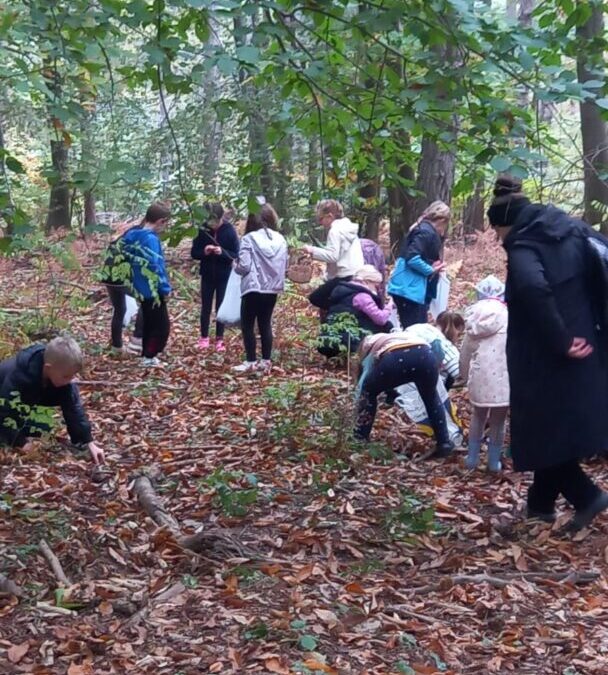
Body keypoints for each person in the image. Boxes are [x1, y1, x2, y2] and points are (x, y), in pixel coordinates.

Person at [488, 174, 608, 530]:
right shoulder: (572, 229)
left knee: (543, 430)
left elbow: (532, 286)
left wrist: (560, 339)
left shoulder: (524, 245)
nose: (498, 241)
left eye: (497, 233)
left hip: (550, 356)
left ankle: (587, 497)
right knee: (555, 430)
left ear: (506, 225)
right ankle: (540, 507)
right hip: (589, 346)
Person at [0, 336, 105, 465]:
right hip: (4, 405)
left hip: (24, 406)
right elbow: (4, 412)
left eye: (73, 376)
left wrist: (88, 442)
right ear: (48, 367)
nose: (71, 380)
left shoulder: (60, 376)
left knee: (44, 427)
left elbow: (73, 408)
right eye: (67, 376)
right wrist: (21, 443)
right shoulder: (20, 375)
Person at [354, 331, 453, 458]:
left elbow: (365, 379)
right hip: (425, 355)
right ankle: (444, 442)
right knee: (431, 397)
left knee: (368, 393)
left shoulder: (368, 345)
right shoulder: (402, 335)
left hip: (394, 358)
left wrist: (358, 398)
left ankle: (360, 437)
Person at [459, 275, 509, 472]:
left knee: (478, 416)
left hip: (480, 375)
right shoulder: (508, 316)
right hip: (504, 376)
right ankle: (493, 462)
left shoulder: (473, 319)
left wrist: (464, 376)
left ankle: (472, 459)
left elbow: (465, 353)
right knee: (499, 419)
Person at [233, 203, 288, 373]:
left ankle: (250, 361)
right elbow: (284, 265)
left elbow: (244, 266)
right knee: (265, 323)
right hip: (272, 289)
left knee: (248, 324)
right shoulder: (280, 239)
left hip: (253, 287)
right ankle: (266, 361)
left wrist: (235, 265)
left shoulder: (248, 239)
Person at [121, 202, 172, 367]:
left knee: (150, 323)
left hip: (141, 288)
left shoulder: (133, 236)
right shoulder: (150, 239)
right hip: (153, 290)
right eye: (166, 224)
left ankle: (147, 355)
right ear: (160, 221)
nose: (165, 228)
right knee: (161, 326)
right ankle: (150, 355)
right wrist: (164, 288)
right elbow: (155, 266)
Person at [387, 201, 450, 329]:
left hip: (410, 289)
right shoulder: (426, 232)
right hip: (409, 290)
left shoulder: (422, 228)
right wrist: (430, 269)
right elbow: (412, 257)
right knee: (416, 331)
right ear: (442, 220)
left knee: (415, 329)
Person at [191, 202, 240, 353]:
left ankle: (220, 339)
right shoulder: (202, 230)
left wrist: (222, 252)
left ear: (221, 218)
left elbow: (235, 254)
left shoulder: (229, 230)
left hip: (223, 274)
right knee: (205, 306)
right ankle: (204, 337)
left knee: (220, 306)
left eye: (215, 221)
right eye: (209, 221)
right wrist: (204, 251)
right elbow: (194, 253)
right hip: (207, 274)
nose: (212, 225)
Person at [316, 265, 393, 358]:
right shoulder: (362, 296)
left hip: (329, 338)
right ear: (367, 281)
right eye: (376, 285)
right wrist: (389, 306)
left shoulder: (344, 290)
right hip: (349, 340)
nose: (378, 289)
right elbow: (380, 319)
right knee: (387, 325)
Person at [304, 200, 365, 312]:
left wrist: (311, 250)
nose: (320, 223)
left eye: (321, 219)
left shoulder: (335, 231)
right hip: (357, 273)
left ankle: (340, 310)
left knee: (315, 298)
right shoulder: (347, 228)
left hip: (345, 276)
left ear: (330, 216)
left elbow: (332, 256)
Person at [101, 221, 145, 356]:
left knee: (120, 309)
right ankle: (137, 340)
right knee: (147, 303)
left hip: (109, 277)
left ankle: (117, 346)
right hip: (120, 278)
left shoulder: (124, 237)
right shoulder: (141, 237)